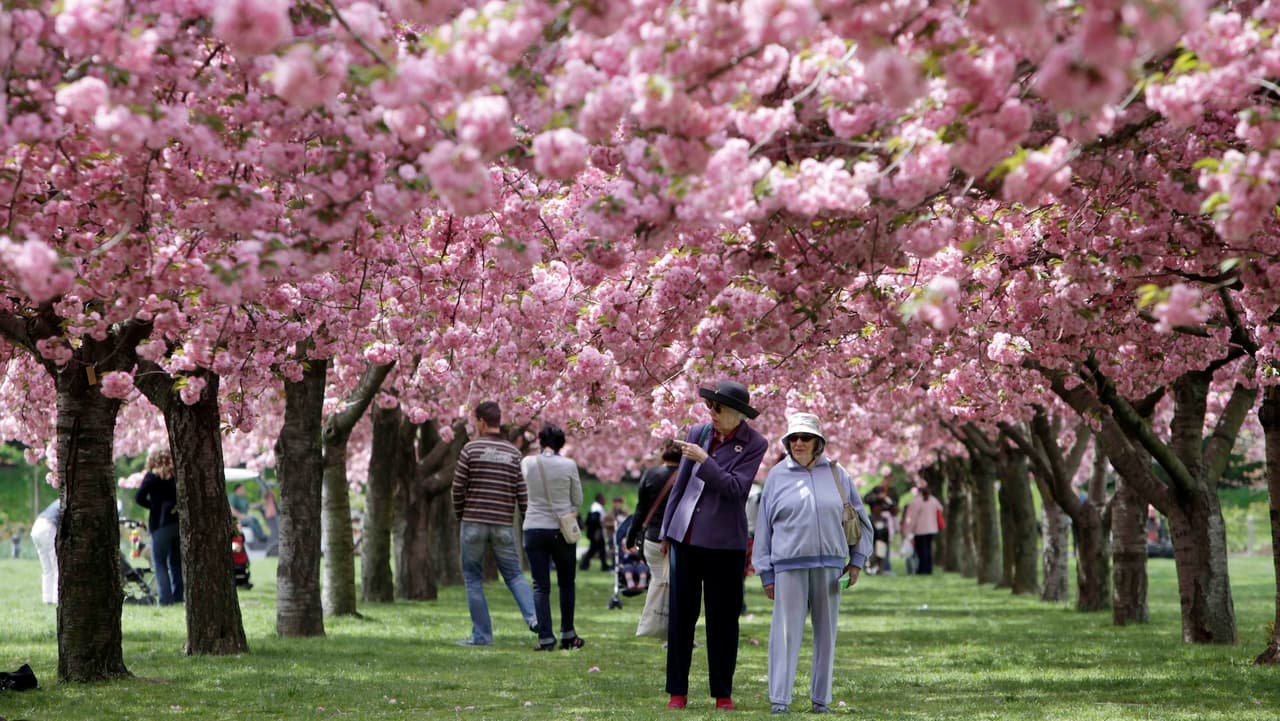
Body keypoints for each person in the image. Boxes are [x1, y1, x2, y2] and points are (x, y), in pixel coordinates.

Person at [659, 380, 768, 711]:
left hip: (725, 544)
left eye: (718, 408)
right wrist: (667, 530)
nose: (712, 413)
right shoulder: (698, 432)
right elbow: (680, 484)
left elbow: (736, 489)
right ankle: (677, 692)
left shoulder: (755, 443)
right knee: (681, 617)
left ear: (737, 414)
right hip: (687, 537)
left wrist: (706, 460)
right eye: (710, 407)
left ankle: (723, 693)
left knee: (722, 620)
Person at [754, 413, 873, 714]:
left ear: (818, 442)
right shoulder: (777, 476)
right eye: (793, 438)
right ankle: (780, 701)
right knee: (785, 634)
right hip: (788, 566)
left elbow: (858, 517)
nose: (798, 443)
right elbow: (764, 528)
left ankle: (821, 701)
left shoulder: (838, 473)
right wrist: (766, 573)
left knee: (826, 635)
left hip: (831, 567)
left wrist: (856, 561)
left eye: (805, 437)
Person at [452, 400, 538, 647]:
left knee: (473, 578)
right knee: (513, 574)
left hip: (473, 521)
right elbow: (522, 493)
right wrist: (525, 520)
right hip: (502, 523)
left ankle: (482, 636)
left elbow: (458, 488)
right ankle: (534, 619)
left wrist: (461, 514)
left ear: (480, 421)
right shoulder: (513, 453)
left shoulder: (471, 449)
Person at [521, 423, 586, 651]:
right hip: (561, 530)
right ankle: (568, 634)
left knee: (540, 585)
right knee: (566, 583)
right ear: (561, 443)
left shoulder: (528, 462)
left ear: (540, 441)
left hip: (533, 528)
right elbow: (577, 499)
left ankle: (545, 638)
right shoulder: (568, 465)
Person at [627, 440, 681, 637]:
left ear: (663, 453)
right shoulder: (687, 476)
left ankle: (656, 624)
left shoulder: (650, 474)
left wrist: (630, 537)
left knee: (658, 581)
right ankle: (676, 630)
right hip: (679, 539)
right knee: (678, 585)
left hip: (652, 538)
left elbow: (641, 509)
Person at [136, 449, 184, 605]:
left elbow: (139, 497)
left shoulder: (151, 477)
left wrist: (153, 506)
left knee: (160, 562)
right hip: (177, 522)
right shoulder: (176, 476)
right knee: (176, 562)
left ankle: (165, 599)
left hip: (160, 524)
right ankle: (178, 596)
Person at [901, 482, 944, 575]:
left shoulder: (916, 502)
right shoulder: (933, 499)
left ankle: (922, 569)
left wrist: (907, 530)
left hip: (920, 530)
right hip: (932, 529)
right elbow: (941, 508)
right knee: (928, 549)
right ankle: (928, 568)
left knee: (922, 550)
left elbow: (911, 518)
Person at [863, 475, 898, 574]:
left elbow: (893, 506)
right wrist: (878, 497)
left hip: (884, 520)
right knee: (872, 544)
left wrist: (886, 498)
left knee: (882, 545)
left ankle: (882, 567)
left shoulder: (891, 492)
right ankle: (870, 566)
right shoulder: (875, 491)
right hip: (873, 518)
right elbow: (866, 499)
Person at [31, 500, 60, 604]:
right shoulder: (68, 501)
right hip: (48, 527)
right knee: (57, 566)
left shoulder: (57, 501)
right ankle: (57, 598)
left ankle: (47, 598)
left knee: (47, 569)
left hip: (37, 526)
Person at [579, 493, 609, 571]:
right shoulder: (596, 508)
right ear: (599, 499)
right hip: (596, 533)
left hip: (595, 532)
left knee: (599, 549)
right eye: (603, 499)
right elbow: (594, 520)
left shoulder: (596, 507)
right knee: (594, 549)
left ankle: (603, 565)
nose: (605, 501)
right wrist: (598, 528)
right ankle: (584, 565)